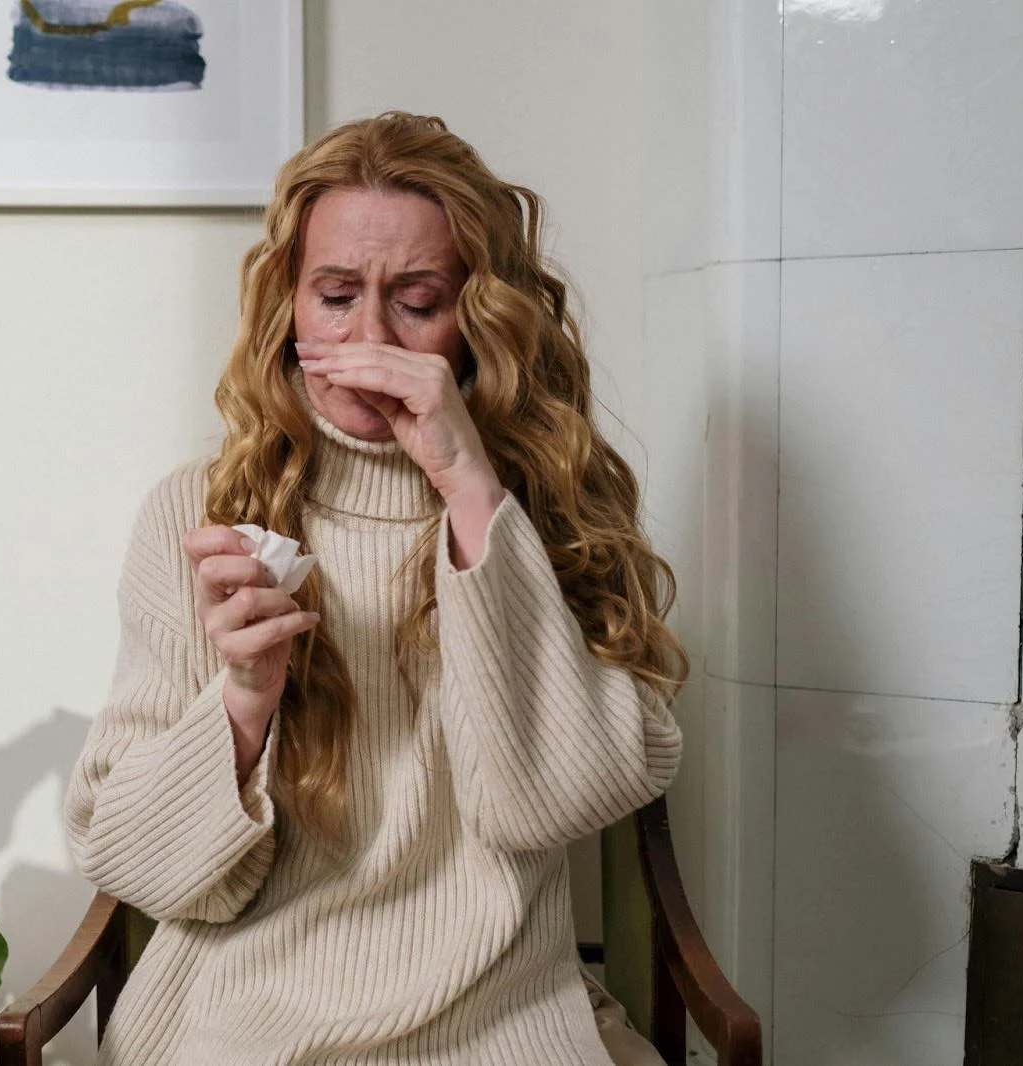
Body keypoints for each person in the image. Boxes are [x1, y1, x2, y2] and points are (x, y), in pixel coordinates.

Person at [64, 112, 685, 1065]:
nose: (370, 337)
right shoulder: (201, 512)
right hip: (241, 1013)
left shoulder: (555, 504)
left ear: (479, 314)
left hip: (502, 1016)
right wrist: (242, 702)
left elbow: (558, 800)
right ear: (290, 304)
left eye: (418, 299)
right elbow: (134, 860)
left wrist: (470, 487)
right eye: (337, 295)